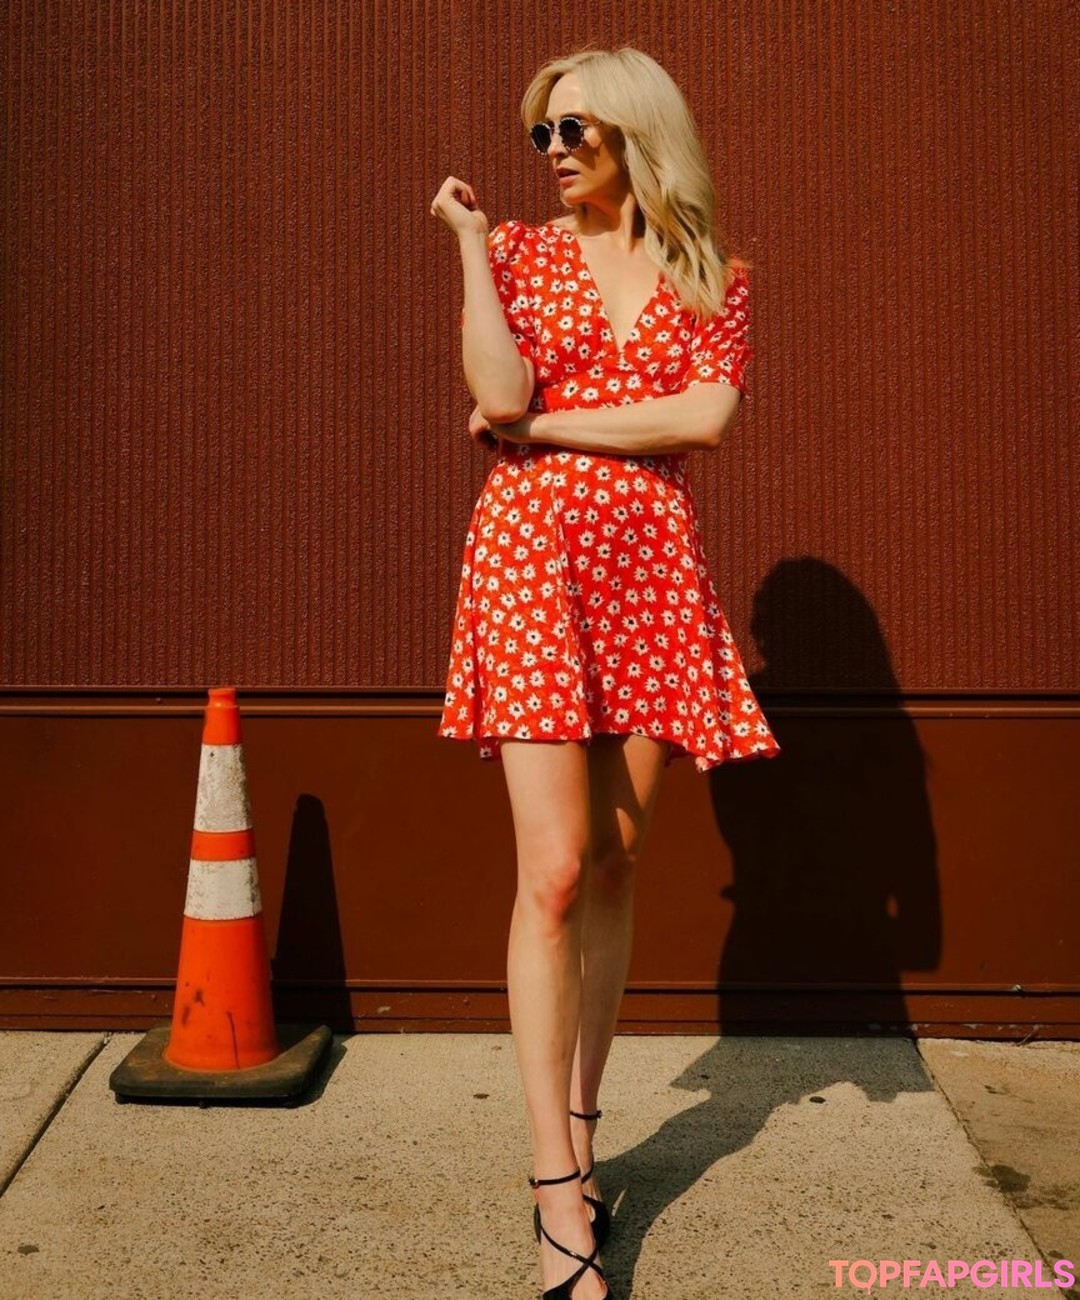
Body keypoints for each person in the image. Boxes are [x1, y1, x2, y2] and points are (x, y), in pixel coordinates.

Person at [430, 47, 780, 1300]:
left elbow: (701, 419)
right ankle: (552, 1189)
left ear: (638, 131)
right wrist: (471, 246)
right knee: (558, 870)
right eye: (542, 133)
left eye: (573, 128)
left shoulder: (712, 274)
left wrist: (540, 427)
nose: (554, 151)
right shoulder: (520, 256)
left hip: (649, 572)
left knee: (621, 860)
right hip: (532, 563)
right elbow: (496, 384)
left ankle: (584, 1132)